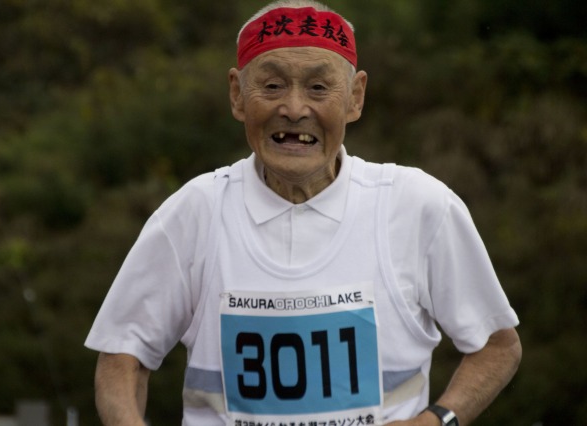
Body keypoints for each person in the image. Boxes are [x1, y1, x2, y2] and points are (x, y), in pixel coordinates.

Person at [85, 1, 522, 425]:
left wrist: (436, 420)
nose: (294, 109)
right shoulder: (193, 212)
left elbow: (497, 345)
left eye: (318, 87)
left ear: (355, 97)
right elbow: (122, 356)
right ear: (237, 95)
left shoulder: (418, 206)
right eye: (272, 86)